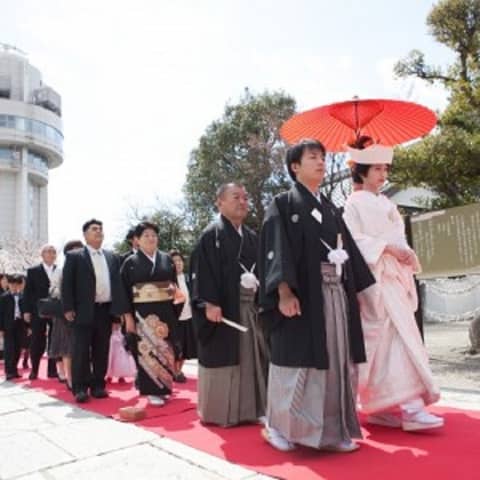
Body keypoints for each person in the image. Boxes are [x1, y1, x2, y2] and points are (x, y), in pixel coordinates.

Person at [258, 139, 375, 452]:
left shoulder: (331, 208)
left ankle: (331, 432)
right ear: (295, 167)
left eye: (323, 157)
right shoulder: (282, 204)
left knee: (336, 360)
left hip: (335, 294)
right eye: (313, 157)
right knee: (297, 362)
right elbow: (275, 249)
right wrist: (282, 291)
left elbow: (348, 250)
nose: (321, 162)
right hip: (303, 296)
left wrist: (357, 289)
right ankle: (278, 425)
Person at [343, 140, 443, 431]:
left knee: (393, 342)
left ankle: (381, 406)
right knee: (393, 341)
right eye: (376, 168)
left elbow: (396, 238)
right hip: (376, 279)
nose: (383, 174)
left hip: (394, 277)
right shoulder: (352, 204)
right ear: (361, 171)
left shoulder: (387, 202)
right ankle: (411, 410)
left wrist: (403, 251)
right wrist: (386, 248)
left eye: (385, 168)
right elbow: (353, 242)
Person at [190, 183, 268, 427]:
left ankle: (254, 409)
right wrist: (209, 303)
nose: (243, 201)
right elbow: (202, 273)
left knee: (254, 356)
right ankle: (221, 413)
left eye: (245, 197)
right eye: (236, 197)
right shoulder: (211, 235)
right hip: (225, 309)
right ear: (219, 202)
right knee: (228, 357)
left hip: (250, 306)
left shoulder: (253, 237)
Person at [62, 219, 126, 403]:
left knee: (101, 349)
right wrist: (68, 308)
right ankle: (80, 388)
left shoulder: (112, 256)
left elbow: (117, 285)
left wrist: (117, 313)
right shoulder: (75, 256)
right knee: (81, 350)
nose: (99, 232)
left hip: (105, 311)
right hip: (82, 311)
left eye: (100, 229)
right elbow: (67, 284)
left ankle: (98, 385)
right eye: (94, 229)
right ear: (85, 235)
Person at [121, 222, 183, 406]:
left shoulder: (166, 259)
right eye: (146, 235)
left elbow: (173, 285)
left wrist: (177, 298)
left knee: (165, 349)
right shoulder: (130, 263)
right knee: (146, 351)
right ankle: (151, 390)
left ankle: (164, 387)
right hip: (142, 313)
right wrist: (128, 318)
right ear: (137, 240)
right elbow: (122, 292)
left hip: (165, 312)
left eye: (154, 235)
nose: (151, 238)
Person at [48, 240, 84, 390]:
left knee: (81, 347)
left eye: (81, 250)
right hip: (64, 314)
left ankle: (81, 376)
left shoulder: (87, 270)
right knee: (67, 347)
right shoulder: (60, 270)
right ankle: (69, 378)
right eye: (75, 250)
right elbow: (53, 291)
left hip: (83, 312)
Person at [23, 245, 59, 380]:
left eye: (53, 252)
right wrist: (26, 310)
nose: (51, 254)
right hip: (37, 309)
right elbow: (27, 292)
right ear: (42, 255)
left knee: (55, 339)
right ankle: (35, 370)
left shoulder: (60, 270)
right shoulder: (33, 271)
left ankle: (52, 370)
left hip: (56, 309)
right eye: (48, 252)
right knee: (36, 340)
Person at [170, 250, 196, 383]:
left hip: (189, 317)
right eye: (175, 262)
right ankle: (175, 371)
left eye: (180, 261)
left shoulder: (187, 278)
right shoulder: (169, 281)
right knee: (176, 347)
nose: (178, 263)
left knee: (186, 347)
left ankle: (179, 370)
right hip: (175, 319)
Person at [0, 274, 26, 379]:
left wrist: (28, 327)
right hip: (8, 325)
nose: (14, 287)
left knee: (17, 349)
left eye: (16, 285)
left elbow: (26, 311)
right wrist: (1, 328)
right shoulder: (3, 297)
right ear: (9, 285)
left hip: (19, 324)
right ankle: (9, 372)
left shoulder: (22, 297)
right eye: (12, 284)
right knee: (9, 349)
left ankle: (14, 370)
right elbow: (0, 313)